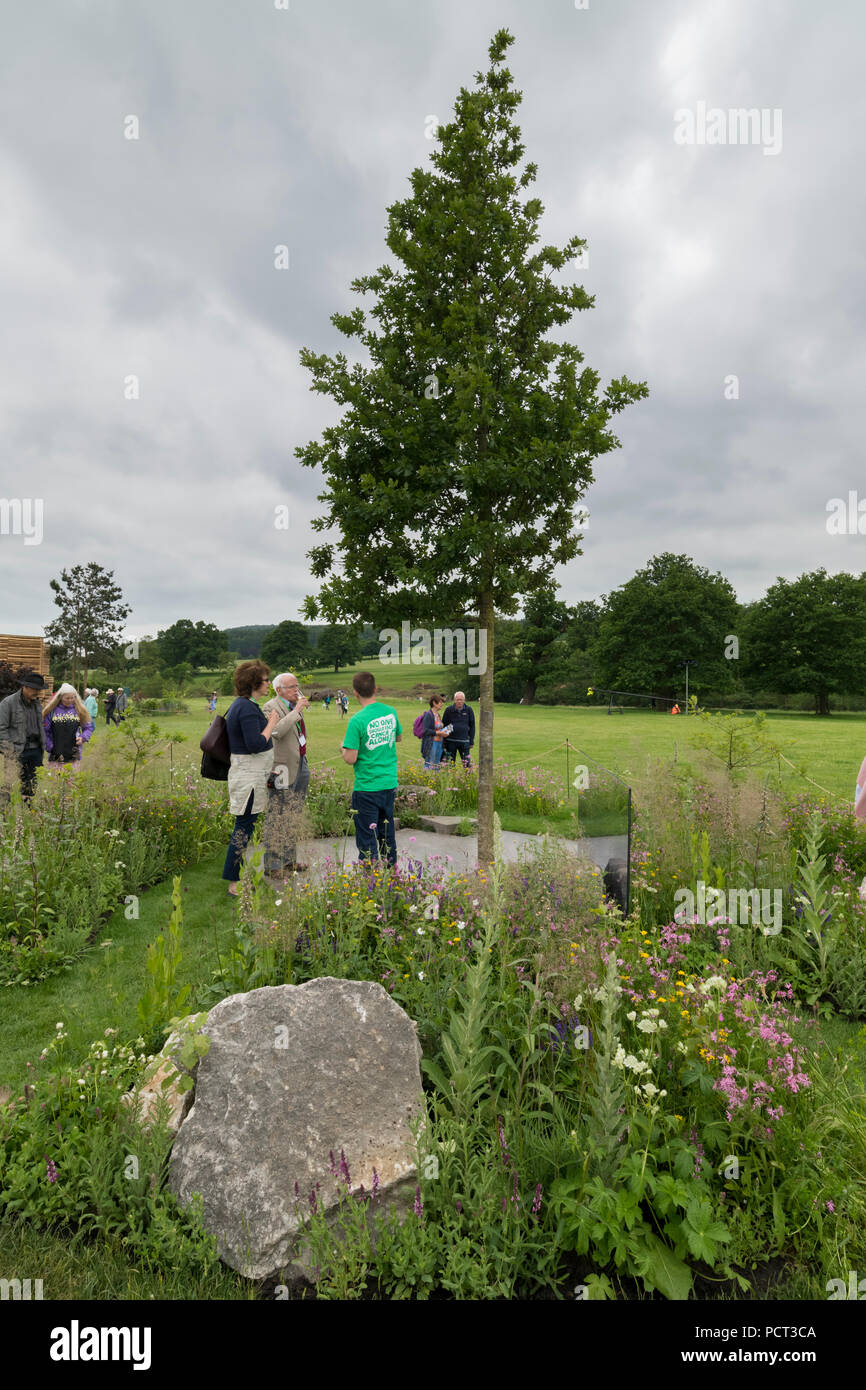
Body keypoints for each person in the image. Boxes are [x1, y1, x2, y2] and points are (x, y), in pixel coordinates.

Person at [221, 661, 282, 896]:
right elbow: (255, 744)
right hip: (248, 778)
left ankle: (238, 879)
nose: (269, 684)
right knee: (243, 830)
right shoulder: (245, 708)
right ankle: (234, 885)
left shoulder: (245, 705)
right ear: (254, 683)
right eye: (266, 680)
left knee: (244, 828)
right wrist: (271, 723)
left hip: (250, 774)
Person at [341, 671, 402, 865]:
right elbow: (398, 737)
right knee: (387, 832)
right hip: (388, 782)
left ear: (355, 693)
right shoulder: (390, 711)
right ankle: (391, 874)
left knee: (367, 837)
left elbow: (351, 758)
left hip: (367, 786)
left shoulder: (357, 720)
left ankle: (370, 880)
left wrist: (343, 748)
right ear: (375, 689)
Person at [262, 672, 311, 879]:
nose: (296, 690)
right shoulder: (270, 707)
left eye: (296, 686)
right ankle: (273, 864)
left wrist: (296, 710)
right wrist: (297, 711)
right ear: (278, 690)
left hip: (300, 764)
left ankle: (289, 860)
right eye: (291, 687)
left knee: (293, 813)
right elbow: (275, 732)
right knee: (277, 815)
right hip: (280, 768)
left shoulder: (292, 707)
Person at [0, 669, 48, 799]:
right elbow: (1, 729)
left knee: (31, 785)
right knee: (10, 784)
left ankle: (27, 812)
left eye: (40, 689)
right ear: (25, 687)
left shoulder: (37, 704)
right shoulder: (8, 703)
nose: (38, 692)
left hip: (36, 750)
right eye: (35, 689)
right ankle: (5, 812)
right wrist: (10, 750)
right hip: (17, 750)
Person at [43, 684, 94, 769]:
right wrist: (50, 746)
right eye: (67, 698)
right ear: (60, 697)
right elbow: (44, 731)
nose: (70, 700)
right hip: (55, 754)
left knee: (72, 780)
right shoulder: (51, 711)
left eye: (72, 697)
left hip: (73, 754)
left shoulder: (80, 710)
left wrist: (83, 737)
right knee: (56, 781)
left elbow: (88, 728)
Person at [442, 691, 475, 767]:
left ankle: (468, 778)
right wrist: (444, 741)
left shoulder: (469, 710)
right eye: (457, 699)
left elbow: (472, 726)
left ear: (464, 700)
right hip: (450, 742)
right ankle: (450, 778)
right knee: (450, 764)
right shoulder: (449, 710)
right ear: (454, 700)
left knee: (467, 765)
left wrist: (471, 741)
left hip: (464, 742)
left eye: (461, 699)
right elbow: (444, 725)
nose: (459, 701)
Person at [421, 695, 449, 770]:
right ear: (434, 703)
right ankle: (427, 780)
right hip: (431, 743)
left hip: (439, 743)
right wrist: (439, 733)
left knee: (436, 765)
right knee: (429, 764)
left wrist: (445, 730)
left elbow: (437, 728)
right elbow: (425, 731)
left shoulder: (438, 715)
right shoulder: (428, 715)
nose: (442, 704)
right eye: (440, 702)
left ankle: (435, 781)